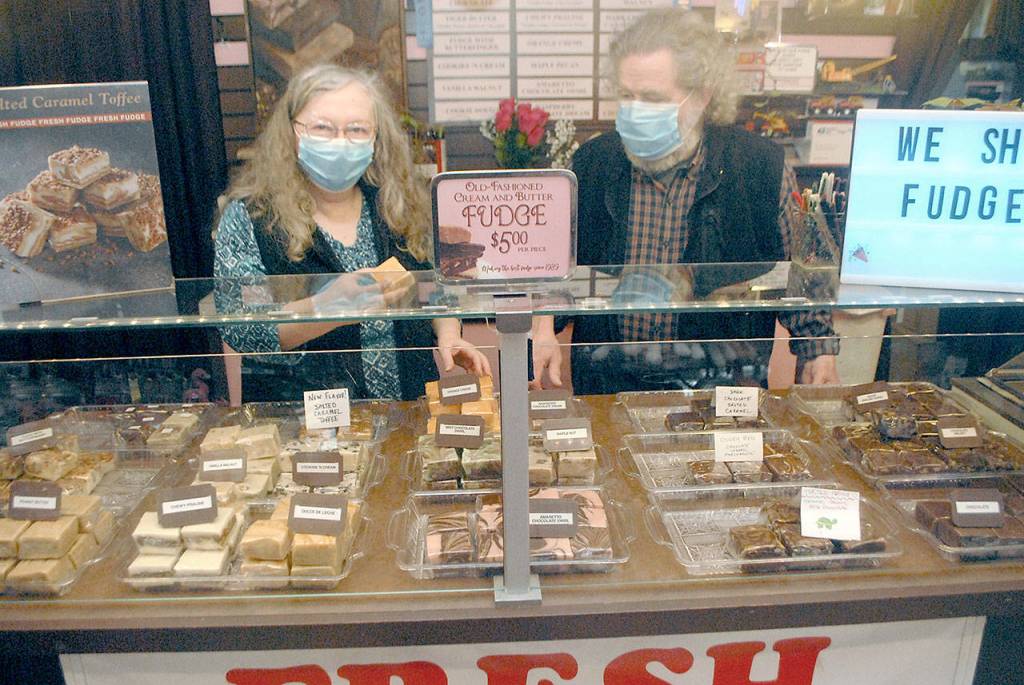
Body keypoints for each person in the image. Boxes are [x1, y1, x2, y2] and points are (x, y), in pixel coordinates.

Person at [531, 8, 840, 394]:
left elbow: (802, 273)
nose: (635, 111)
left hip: (720, 382)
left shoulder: (759, 167)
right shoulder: (594, 164)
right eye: (626, 96)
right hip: (609, 380)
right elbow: (558, 265)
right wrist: (543, 325)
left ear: (702, 96)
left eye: (653, 98)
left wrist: (818, 350)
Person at [214, 64, 489, 401]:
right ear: (290, 132)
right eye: (322, 128)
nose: (340, 142)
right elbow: (242, 330)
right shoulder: (251, 217)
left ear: (376, 137)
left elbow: (435, 286)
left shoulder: (400, 204)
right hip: (304, 419)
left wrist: (449, 333)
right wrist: (324, 307)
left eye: (357, 129)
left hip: (406, 412)